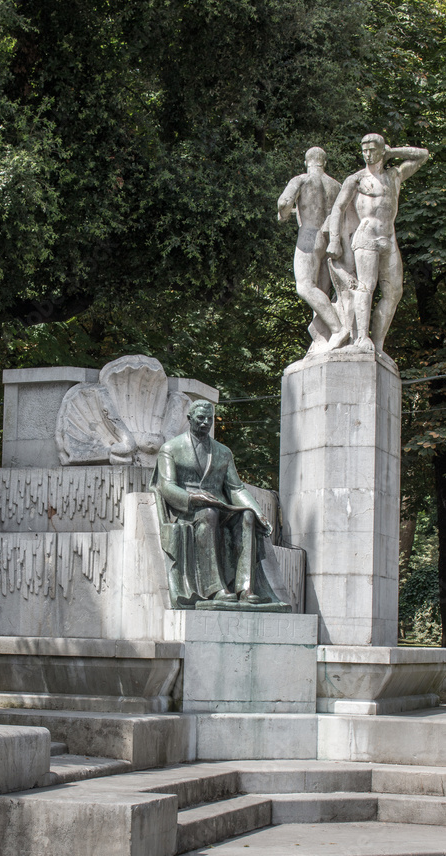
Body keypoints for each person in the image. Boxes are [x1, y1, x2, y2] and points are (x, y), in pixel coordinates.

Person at [151, 400, 278, 608]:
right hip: (188, 509)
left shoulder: (223, 452)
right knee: (208, 513)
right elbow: (166, 486)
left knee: (246, 516)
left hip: (221, 507)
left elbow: (236, 489)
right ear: (189, 419)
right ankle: (215, 588)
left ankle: (244, 588)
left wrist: (258, 512)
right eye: (201, 418)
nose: (205, 423)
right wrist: (192, 498)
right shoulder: (170, 448)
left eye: (209, 419)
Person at [327, 134, 428, 353]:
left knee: (394, 293)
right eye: (364, 150)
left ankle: (379, 346)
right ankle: (363, 338)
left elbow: (423, 155)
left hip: (388, 238)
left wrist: (393, 152)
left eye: (372, 149)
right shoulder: (356, 179)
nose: (367, 154)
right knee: (366, 286)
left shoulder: (394, 176)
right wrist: (334, 240)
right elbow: (338, 208)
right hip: (366, 236)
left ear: (382, 151)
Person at [277, 147, 348, 351]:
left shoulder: (302, 180)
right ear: (324, 162)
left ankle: (337, 329)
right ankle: (322, 340)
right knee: (321, 292)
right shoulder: (337, 185)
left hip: (309, 236)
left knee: (305, 286)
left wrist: (283, 213)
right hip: (330, 240)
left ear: (306, 162)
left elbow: (284, 202)